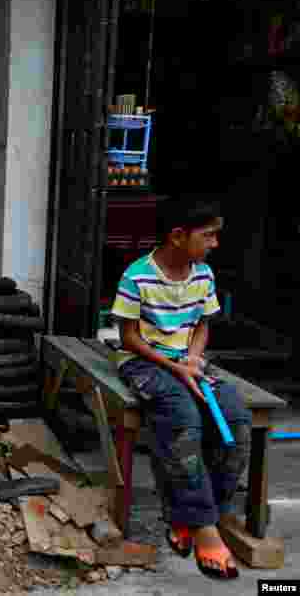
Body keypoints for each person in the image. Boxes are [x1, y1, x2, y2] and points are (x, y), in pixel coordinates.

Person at [111, 197, 249, 580]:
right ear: (177, 236)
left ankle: (193, 516)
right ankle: (204, 529)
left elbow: (203, 324)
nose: (215, 244)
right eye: (208, 236)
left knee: (236, 421)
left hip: (187, 361)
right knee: (184, 420)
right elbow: (128, 337)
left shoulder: (203, 275)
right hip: (144, 363)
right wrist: (173, 366)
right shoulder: (137, 276)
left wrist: (191, 360)